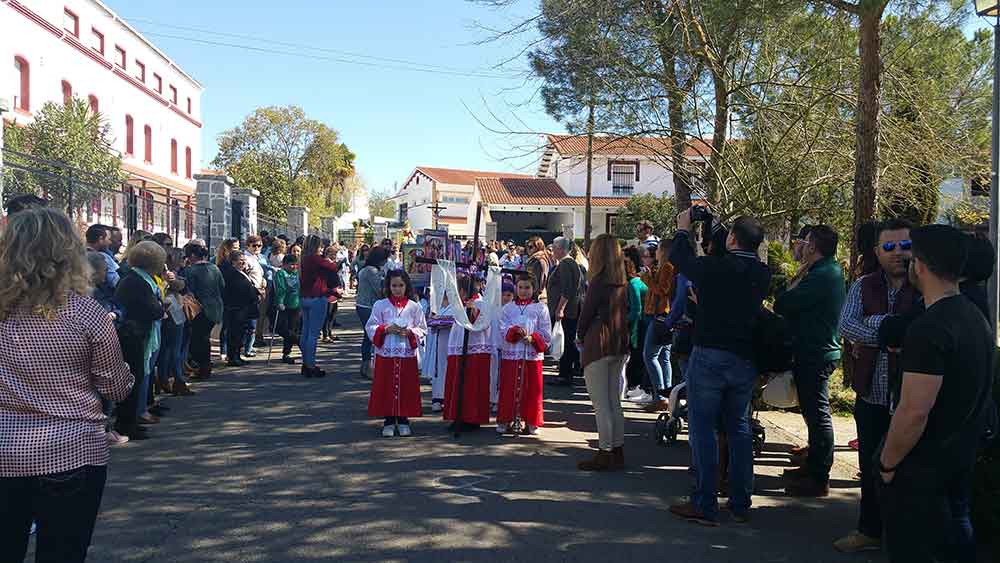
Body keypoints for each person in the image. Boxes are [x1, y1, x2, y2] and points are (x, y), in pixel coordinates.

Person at [0, 208, 133, 563]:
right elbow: (116, 387)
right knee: (62, 553)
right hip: (71, 450)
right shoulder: (86, 314)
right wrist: (128, 375)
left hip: (4, 446)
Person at [876, 225, 993, 563]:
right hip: (958, 459)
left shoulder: (930, 328)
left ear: (921, 266)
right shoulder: (974, 317)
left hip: (921, 474)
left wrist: (887, 464)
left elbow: (913, 412)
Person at [667, 210, 769, 526]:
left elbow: (681, 260)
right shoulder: (763, 272)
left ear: (732, 238)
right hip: (745, 357)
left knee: (703, 428)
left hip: (710, 353)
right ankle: (740, 502)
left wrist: (684, 228)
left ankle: (705, 502)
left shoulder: (715, 267)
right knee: (738, 428)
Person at [835, 219, 920, 554]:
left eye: (905, 246)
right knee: (871, 466)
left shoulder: (924, 285)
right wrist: (888, 330)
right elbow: (846, 324)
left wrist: (872, 328)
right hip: (871, 393)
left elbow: (922, 331)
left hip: (911, 399)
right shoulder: (864, 285)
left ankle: (907, 539)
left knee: (909, 472)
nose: (897, 253)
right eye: (889, 247)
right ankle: (869, 530)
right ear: (876, 251)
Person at [774, 225, 846, 497]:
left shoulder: (823, 275)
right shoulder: (820, 271)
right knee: (811, 412)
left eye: (802, 242)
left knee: (818, 415)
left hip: (816, 352)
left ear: (812, 246)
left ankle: (819, 475)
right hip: (812, 349)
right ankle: (812, 465)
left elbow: (785, 303)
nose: (798, 246)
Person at [575, 234, 630, 471]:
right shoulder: (622, 282)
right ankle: (616, 449)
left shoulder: (598, 282)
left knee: (601, 404)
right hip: (618, 343)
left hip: (598, 343)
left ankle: (605, 451)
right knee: (613, 401)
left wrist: (579, 335)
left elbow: (586, 315)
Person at [114, 240, 169, 438]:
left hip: (138, 333)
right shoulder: (137, 281)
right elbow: (151, 308)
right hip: (134, 335)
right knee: (133, 379)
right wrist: (161, 308)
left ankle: (131, 420)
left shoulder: (136, 278)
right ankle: (127, 424)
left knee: (138, 378)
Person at [366, 270, 428, 437]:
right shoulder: (380, 305)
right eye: (394, 285)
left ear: (406, 286)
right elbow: (370, 326)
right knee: (385, 385)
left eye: (400, 285)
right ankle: (388, 419)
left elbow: (423, 329)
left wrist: (409, 332)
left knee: (406, 386)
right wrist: (386, 329)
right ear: (388, 286)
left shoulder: (414, 307)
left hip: (405, 353)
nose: (397, 289)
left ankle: (403, 419)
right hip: (386, 353)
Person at [497, 272, 551, 435]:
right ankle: (506, 419)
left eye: (527, 287)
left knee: (532, 388)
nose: (523, 291)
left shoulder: (540, 308)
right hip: (512, 354)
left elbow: (545, 332)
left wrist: (533, 338)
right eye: (520, 287)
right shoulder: (508, 308)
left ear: (534, 289)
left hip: (531, 355)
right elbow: (502, 327)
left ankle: (531, 421)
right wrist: (514, 332)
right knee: (508, 387)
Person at [443, 275, 493, 430]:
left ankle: (472, 418)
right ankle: (459, 416)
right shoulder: (463, 303)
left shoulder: (480, 303)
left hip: (475, 348)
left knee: (472, 384)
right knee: (458, 381)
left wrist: (472, 311)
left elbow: (481, 323)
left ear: (464, 290)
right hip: (459, 346)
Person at [639, 241, 677, 412]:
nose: (656, 252)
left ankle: (661, 396)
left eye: (659, 249)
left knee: (650, 355)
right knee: (663, 357)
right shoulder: (663, 267)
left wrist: (646, 279)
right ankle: (666, 396)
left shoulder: (668, 267)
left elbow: (662, 290)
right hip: (662, 315)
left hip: (661, 315)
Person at [182, 242, 225, 380]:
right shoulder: (214, 268)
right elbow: (222, 286)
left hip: (200, 309)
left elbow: (189, 291)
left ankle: (203, 367)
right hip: (216, 307)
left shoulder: (191, 270)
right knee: (204, 338)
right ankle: (205, 367)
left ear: (193, 255)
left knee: (199, 339)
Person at [299, 235, 340, 378]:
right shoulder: (316, 259)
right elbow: (333, 267)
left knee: (305, 332)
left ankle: (305, 363)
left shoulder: (303, 259)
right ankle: (310, 365)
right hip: (317, 297)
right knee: (313, 334)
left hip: (304, 296)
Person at [547, 236, 582, 386]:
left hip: (567, 312)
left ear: (561, 249)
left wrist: (560, 308)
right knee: (567, 341)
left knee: (566, 342)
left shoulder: (566, 264)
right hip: (568, 310)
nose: (552, 251)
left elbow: (567, 289)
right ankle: (568, 370)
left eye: (554, 248)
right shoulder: (567, 263)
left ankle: (565, 374)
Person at [221, 250, 259, 368]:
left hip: (243, 309)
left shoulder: (241, 273)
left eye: (244, 260)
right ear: (233, 262)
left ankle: (237, 355)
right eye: (240, 261)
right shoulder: (232, 274)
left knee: (239, 334)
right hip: (236, 308)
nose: (243, 263)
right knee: (235, 334)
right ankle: (233, 357)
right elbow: (240, 290)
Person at [355, 246, 388, 378]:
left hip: (362, 305)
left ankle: (365, 365)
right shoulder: (372, 271)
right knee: (371, 336)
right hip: (368, 305)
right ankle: (368, 367)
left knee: (367, 336)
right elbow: (379, 291)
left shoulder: (365, 269)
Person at [622, 248, 648, 397]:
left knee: (636, 357)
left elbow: (636, 309)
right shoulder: (636, 281)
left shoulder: (632, 284)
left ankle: (634, 386)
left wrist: (624, 322)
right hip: (641, 323)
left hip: (639, 325)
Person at [243, 235, 268, 357]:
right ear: (248, 245)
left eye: (260, 245)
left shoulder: (257, 257)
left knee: (255, 320)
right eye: (254, 245)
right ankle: (246, 348)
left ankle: (249, 346)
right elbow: (245, 275)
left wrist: (263, 281)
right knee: (250, 322)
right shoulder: (246, 258)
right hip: (251, 292)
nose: (257, 247)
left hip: (259, 291)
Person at [274, 254, 302, 365]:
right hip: (285, 305)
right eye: (291, 265)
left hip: (296, 304)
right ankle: (299, 341)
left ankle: (286, 353)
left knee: (292, 328)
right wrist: (280, 301)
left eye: (295, 265)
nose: (294, 267)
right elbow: (281, 288)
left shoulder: (296, 273)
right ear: (285, 264)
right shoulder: (281, 273)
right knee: (282, 329)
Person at [524, 237, 551, 302]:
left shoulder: (539, 260)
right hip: (531, 294)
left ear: (538, 247)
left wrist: (535, 295)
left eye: (530, 247)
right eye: (527, 247)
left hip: (537, 297)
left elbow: (540, 280)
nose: (528, 249)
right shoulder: (533, 259)